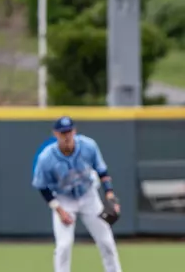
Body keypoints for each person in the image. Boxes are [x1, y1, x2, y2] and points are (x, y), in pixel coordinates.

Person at [32, 116, 123, 272]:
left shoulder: (89, 146)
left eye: (69, 131)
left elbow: (102, 171)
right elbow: (42, 187)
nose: (66, 136)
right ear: (55, 134)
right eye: (62, 133)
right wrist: (59, 210)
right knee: (64, 245)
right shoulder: (46, 158)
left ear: (74, 131)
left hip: (89, 196)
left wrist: (109, 194)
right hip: (64, 199)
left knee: (106, 242)